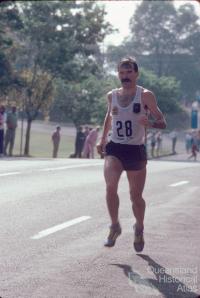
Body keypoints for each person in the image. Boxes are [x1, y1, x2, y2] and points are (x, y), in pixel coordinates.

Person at [96, 57, 166, 252]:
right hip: (115, 147)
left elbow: (162, 122)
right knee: (110, 186)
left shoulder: (145, 96)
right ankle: (114, 225)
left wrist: (150, 123)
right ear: (118, 74)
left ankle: (139, 227)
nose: (125, 76)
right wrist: (102, 140)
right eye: (121, 73)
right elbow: (108, 117)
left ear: (136, 74)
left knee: (136, 196)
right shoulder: (112, 95)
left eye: (128, 73)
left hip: (136, 149)